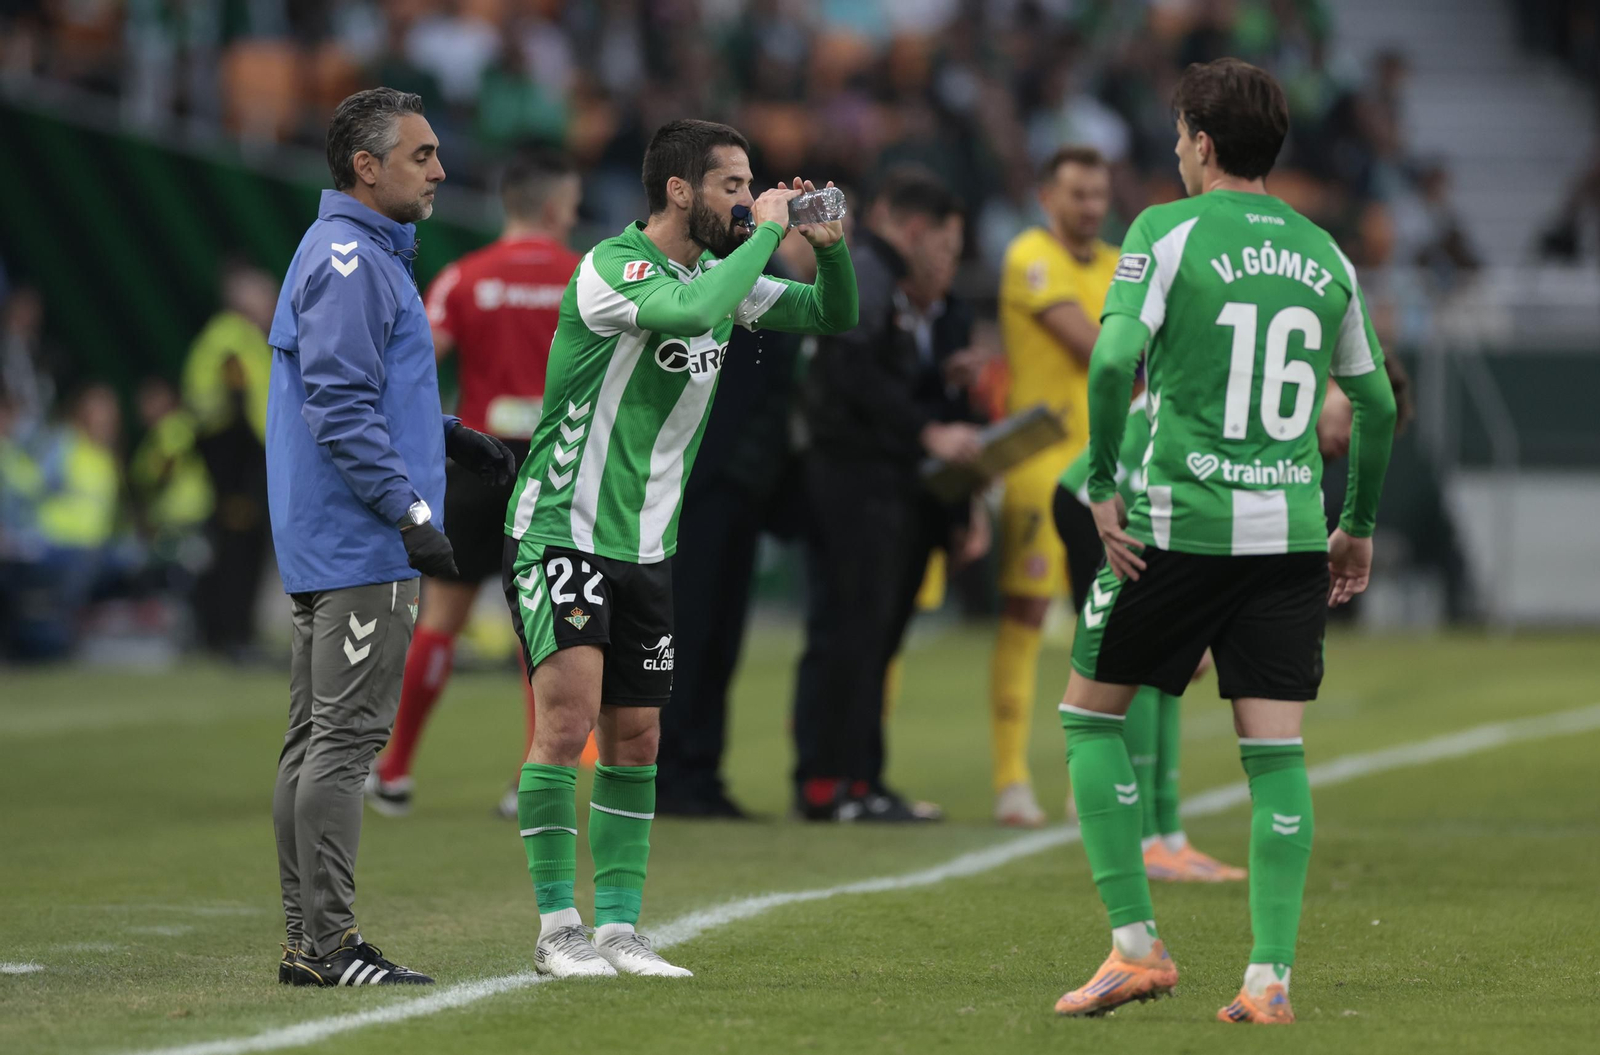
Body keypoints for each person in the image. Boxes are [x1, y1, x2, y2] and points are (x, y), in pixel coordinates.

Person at [1050, 59, 1397, 1024]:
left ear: (1201, 143)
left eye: (1176, 136)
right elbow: (1371, 400)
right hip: (1289, 531)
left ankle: (1136, 946)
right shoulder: (1328, 253)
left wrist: (1105, 485)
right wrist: (1356, 525)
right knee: (1275, 755)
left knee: (1089, 718)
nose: (1174, 150)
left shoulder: (1164, 229)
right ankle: (1268, 977)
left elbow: (1116, 354)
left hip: (1176, 526)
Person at [502, 119, 856, 979]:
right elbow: (694, 310)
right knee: (567, 723)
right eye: (732, 186)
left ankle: (620, 929)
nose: (747, 198)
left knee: (640, 740)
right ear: (679, 191)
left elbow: (834, 315)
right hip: (564, 528)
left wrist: (831, 248)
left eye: (751, 184)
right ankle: (559, 930)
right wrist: (771, 231)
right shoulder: (613, 270)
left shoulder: (718, 276)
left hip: (647, 541)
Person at [266, 87, 517, 989]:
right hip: (359, 541)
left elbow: (360, 386)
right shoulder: (352, 258)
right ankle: (328, 946)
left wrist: (443, 430)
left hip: (332, 535)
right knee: (340, 747)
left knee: (312, 743)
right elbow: (335, 403)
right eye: (422, 155)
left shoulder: (354, 251)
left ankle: (310, 944)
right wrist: (412, 513)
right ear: (366, 167)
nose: (441, 170)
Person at [367, 149, 583, 821]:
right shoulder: (584, 276)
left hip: (474, 459)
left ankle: (395, 774)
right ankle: (532, 783)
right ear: (553, 207)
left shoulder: (465, 277)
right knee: (544, 628)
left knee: (442, 618)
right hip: (554, 463)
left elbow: (412, 359)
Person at [791, 167, 986, 823]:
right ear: (915, 228)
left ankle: (857, 779)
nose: (950, 260)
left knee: (867, 635)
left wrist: (938, 378)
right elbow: (850, 369)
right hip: (853, 477)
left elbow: (874, 370)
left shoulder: (886, 279)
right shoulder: (869, 271)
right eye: (948, 245)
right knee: (850, 632)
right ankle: (829, 781)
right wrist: (928, 425)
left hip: (871, 478)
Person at [1054, 388, 1247, 882]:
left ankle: (1169, 835)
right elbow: (1167, 489)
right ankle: (1142, 838)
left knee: (1166, 664)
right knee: (1133, 659)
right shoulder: (1225, 392)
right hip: (1097, 508)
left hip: (1145, 512)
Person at [654, 233, 812, 819]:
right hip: (709, 484)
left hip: (736, 485)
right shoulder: (743, 272)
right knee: (696, 634)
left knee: (715, 636)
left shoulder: (762, 277)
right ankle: (676, 773)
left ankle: (698, 770)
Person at [989, 146, 1122, 828]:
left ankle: (1087, 781)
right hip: (1042, 469)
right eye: (1077, 193)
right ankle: (1012, 779)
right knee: (1027, 617)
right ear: (1047, 197)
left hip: (1107, 468)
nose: (1091, 206)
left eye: (1099, 193)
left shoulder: (1116, 261)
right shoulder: (1030, 256)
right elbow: (1095, 347)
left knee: (1104, 623)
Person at [183, 261, 277, 661]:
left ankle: (230, 633)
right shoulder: (231, 338)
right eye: (265, 294)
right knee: (238, 547)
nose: (272, 301)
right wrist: (246, 469)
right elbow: (235, 398)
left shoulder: (241, 338)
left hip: (237, 452)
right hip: (233, 455)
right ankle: (231, 636)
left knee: (238, 546)